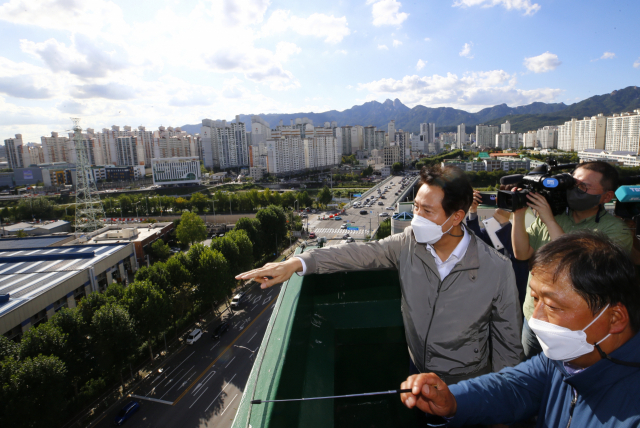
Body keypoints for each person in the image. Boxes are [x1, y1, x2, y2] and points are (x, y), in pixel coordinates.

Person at [237, 165, 523, 386]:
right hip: (418, 370)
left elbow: (509, 348)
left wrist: (499, 406)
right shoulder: (408, 242)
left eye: (427, 211)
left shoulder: (496, 269)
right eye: (416, 208)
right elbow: (357, 254)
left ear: (457, 217)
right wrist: (297, 263)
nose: (417, 218)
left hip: (468, 383)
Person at [400, 231, 640, 427]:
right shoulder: (562, 361)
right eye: (535, 299)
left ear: (615, 318)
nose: (536, 319)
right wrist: (452, 401)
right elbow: (512, 387)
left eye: (552, 306)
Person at [511, 161, 633, 359]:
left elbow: (579, 270)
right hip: (535, 315)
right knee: (532, 377)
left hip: (576, 326)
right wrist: (518, 213)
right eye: (573, 184)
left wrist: (549, 220)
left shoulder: (615, 231)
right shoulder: (557, 217)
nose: (576, 191)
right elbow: (522, 253)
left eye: (584, 187)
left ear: (607, 196)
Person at [466, 190, 529, 305]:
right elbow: (475, 242)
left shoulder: (525, 227)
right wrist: (472, 211)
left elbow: (518, 252)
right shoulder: (491, 227)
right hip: (494, 288)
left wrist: (504, 222)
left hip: (518, 289)